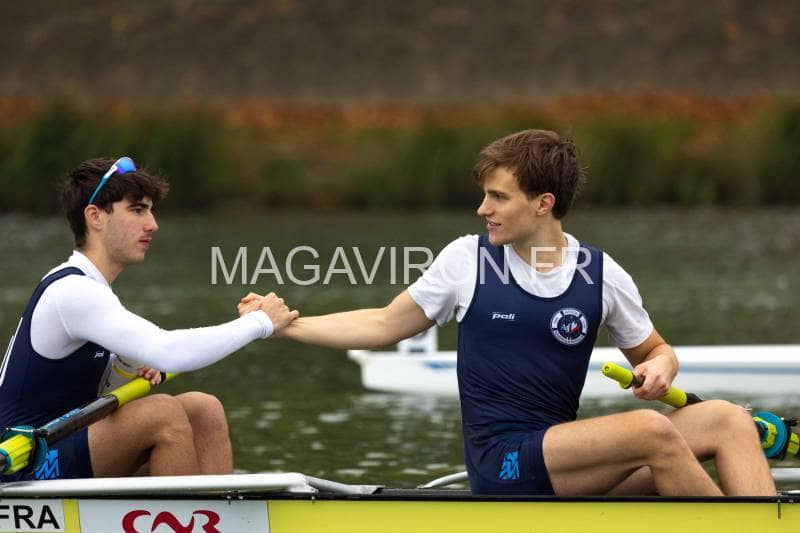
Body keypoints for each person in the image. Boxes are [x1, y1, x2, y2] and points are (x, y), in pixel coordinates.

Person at [241, 129, 774, 496]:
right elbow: (382, 324)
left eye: (498, 197)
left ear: (543, 203)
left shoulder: (601, 273)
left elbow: (655, 349)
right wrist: (284, 325)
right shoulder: (466, 261)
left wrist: (661, 367)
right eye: (484, 196)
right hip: (504, 464)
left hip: (569, 465)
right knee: (651, 432)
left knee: (727, 419)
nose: (483, 209)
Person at [0, 156, 298, 482]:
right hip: (22, 463)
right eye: (138, 210)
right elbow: (168, 351)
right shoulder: (72, 291)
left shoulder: (95, 292)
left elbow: (91, 394)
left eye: (151, 211)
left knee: (204, 409)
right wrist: (260, 323)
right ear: (95, 216)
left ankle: (214, 509)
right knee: (161, 414)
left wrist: (128, 366)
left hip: (63, 444)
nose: (153, 224)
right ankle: (184, 511)